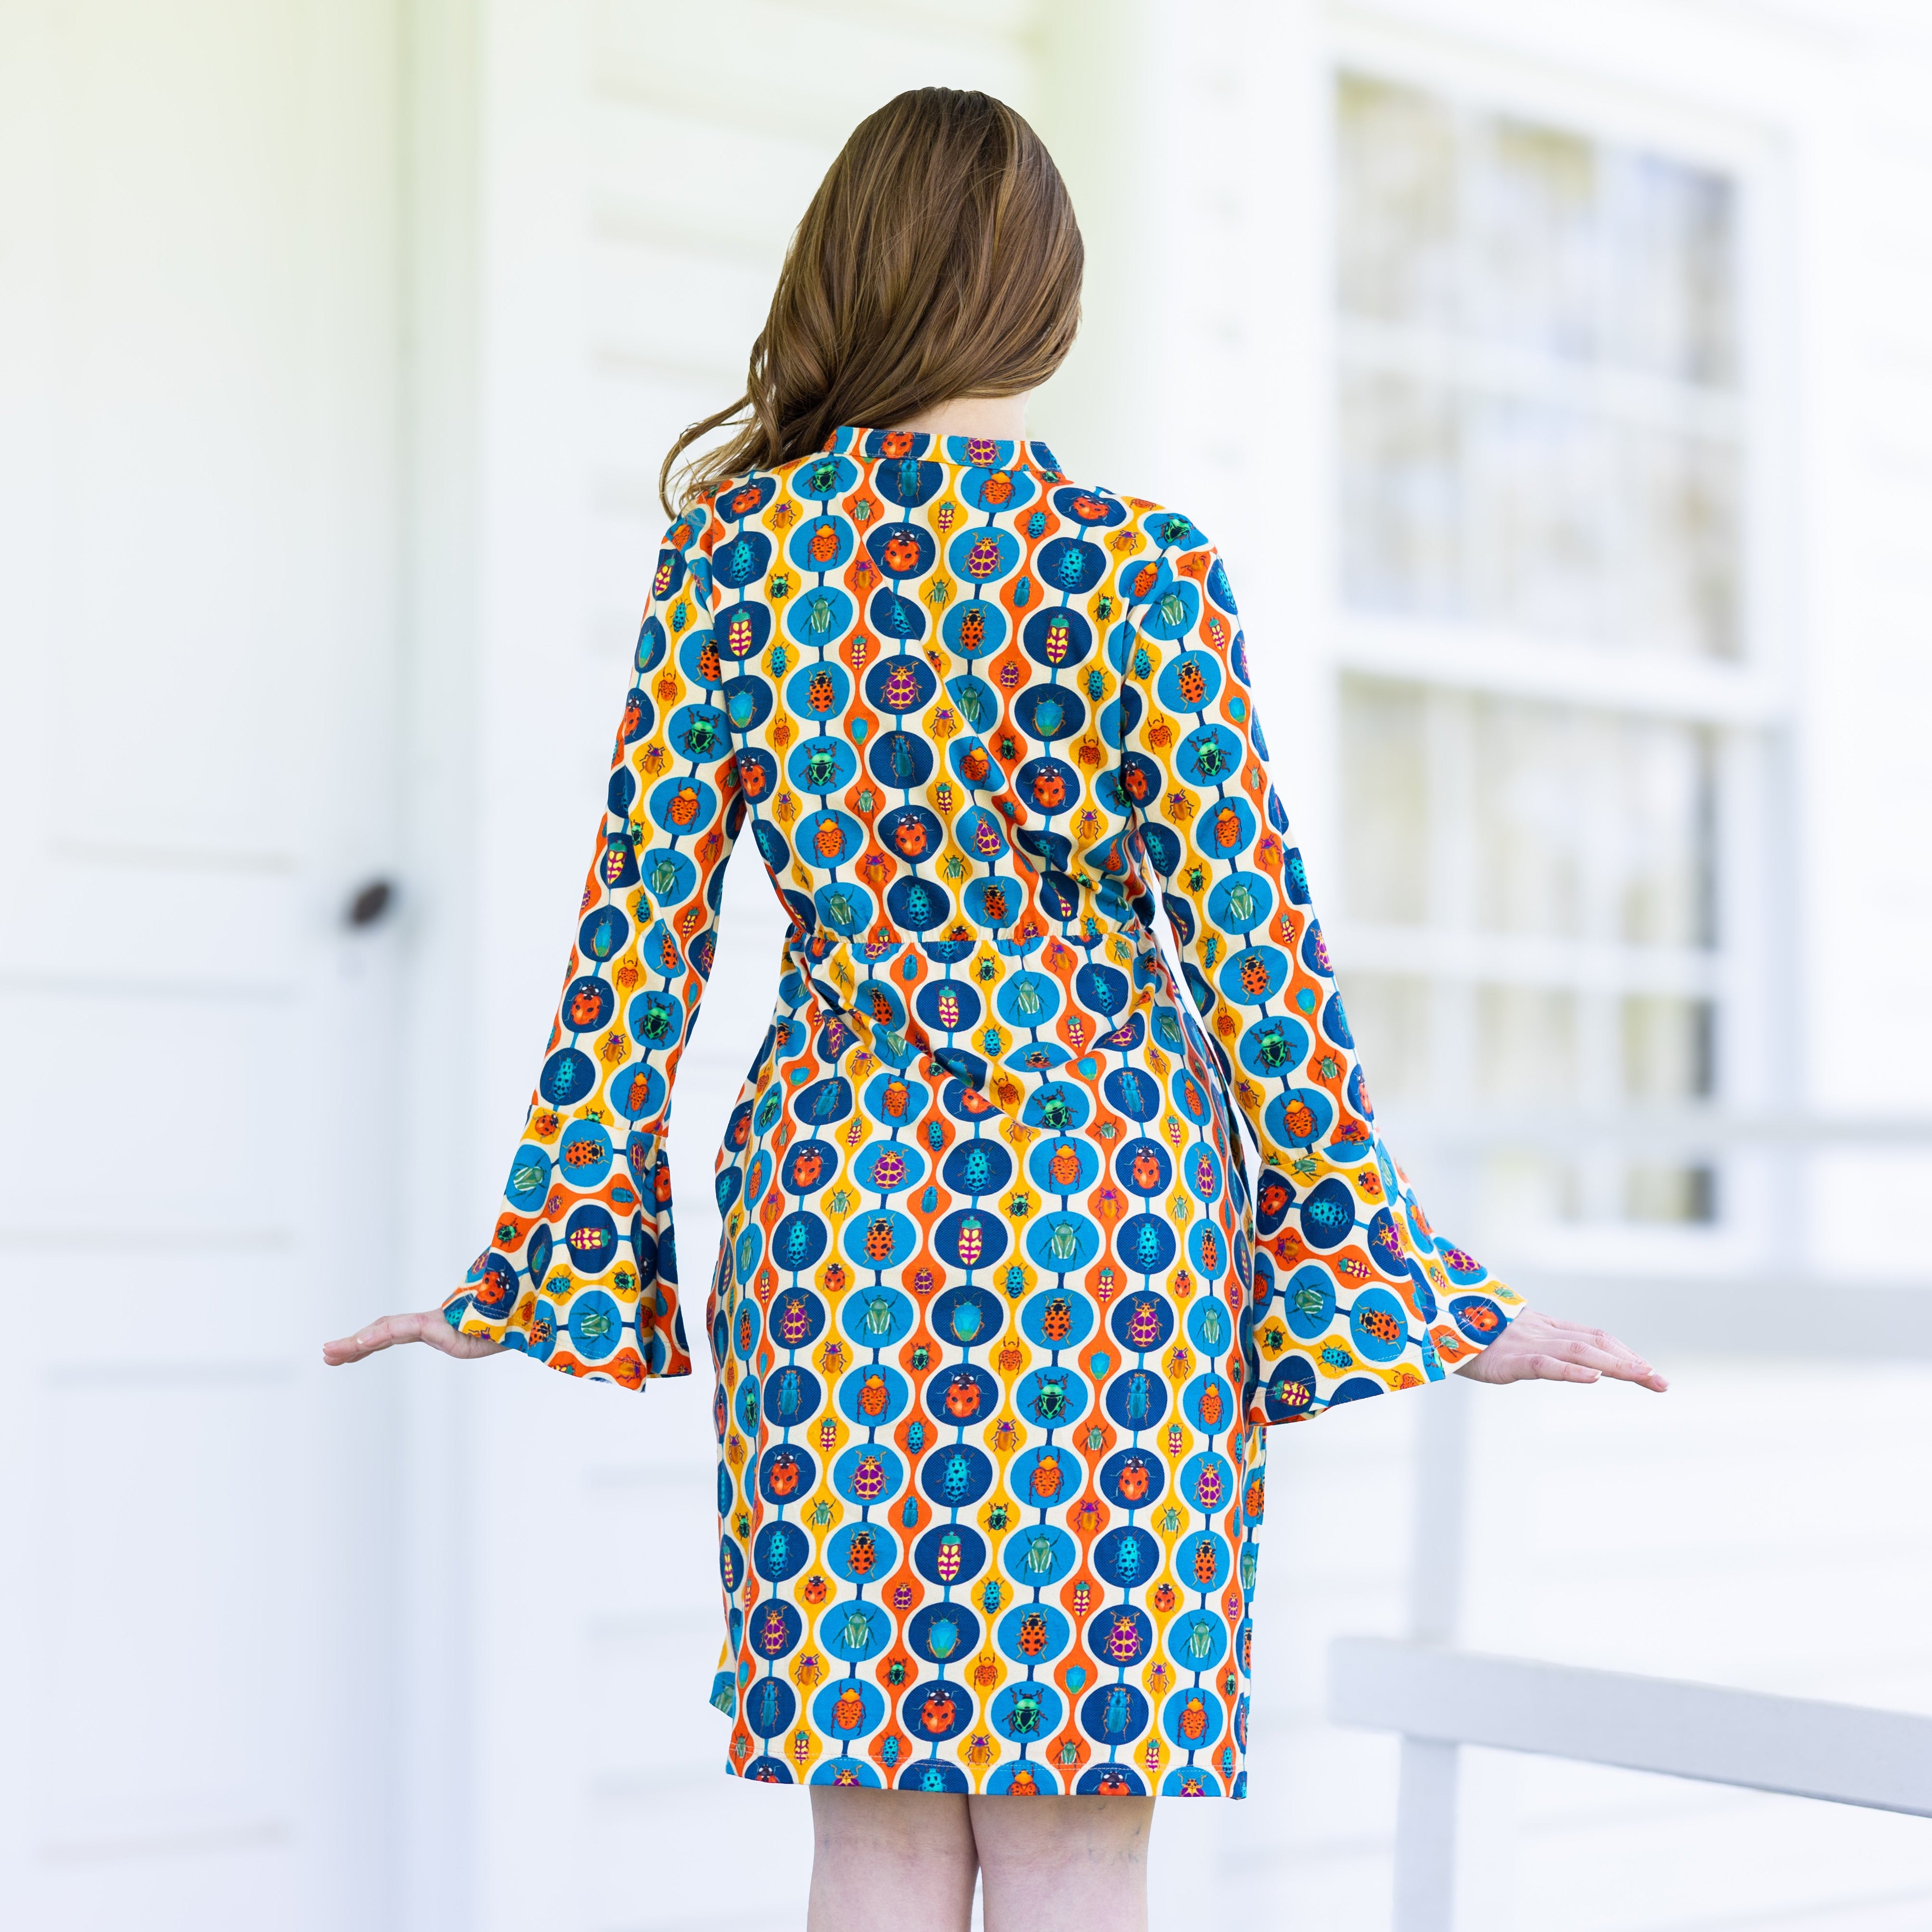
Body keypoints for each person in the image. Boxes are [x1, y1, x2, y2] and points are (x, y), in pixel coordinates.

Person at [326, 85, 1666, 1932]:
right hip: (1113, 1242)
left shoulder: (731, 561)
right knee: (1076, 1841)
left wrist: (541, 1258)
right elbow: (1259, 962)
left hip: (840, 1228)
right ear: (1049, 298)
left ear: (847, 275)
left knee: (873, 1837)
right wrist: (1428, 1294)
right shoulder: (1138, 569)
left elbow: (636, 949)